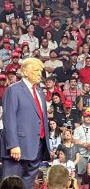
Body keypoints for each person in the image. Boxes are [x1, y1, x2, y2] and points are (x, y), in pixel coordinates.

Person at [1, 58, 50, 188]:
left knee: (27, 185)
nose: (40, 73)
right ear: (25, 72)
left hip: (37, 147)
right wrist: (13, 144)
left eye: (40, 71)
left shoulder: (39, 91)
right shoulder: (14, 90)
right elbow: (9, 118)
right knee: (11, 184)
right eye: (36, 70)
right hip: (18, 148)